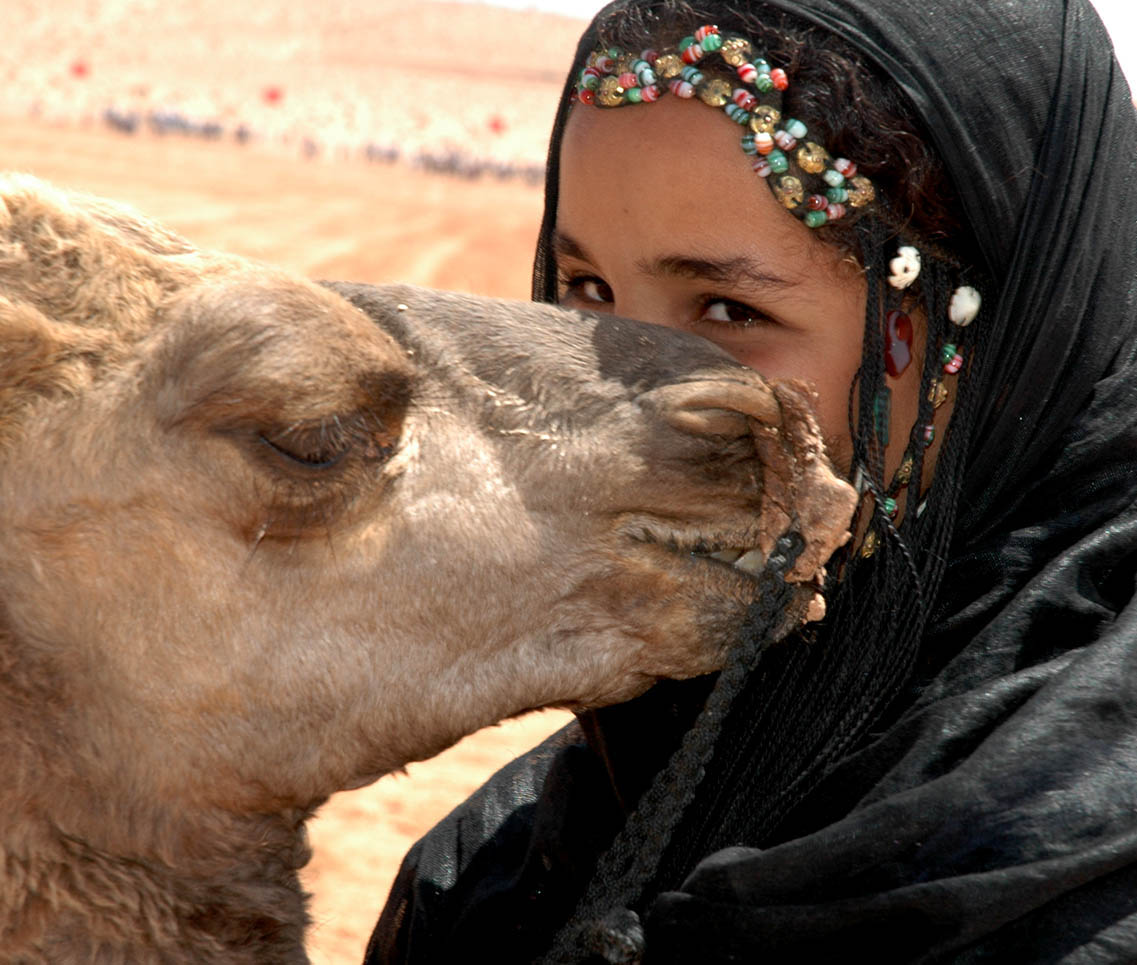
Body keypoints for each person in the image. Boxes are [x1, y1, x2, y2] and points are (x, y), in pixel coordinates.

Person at [363, 0, 1137, 961]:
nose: (618, 395)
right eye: (588, 291)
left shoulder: (1069, 883)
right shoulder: (501, 872)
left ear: (997, 338)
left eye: (727, 308)